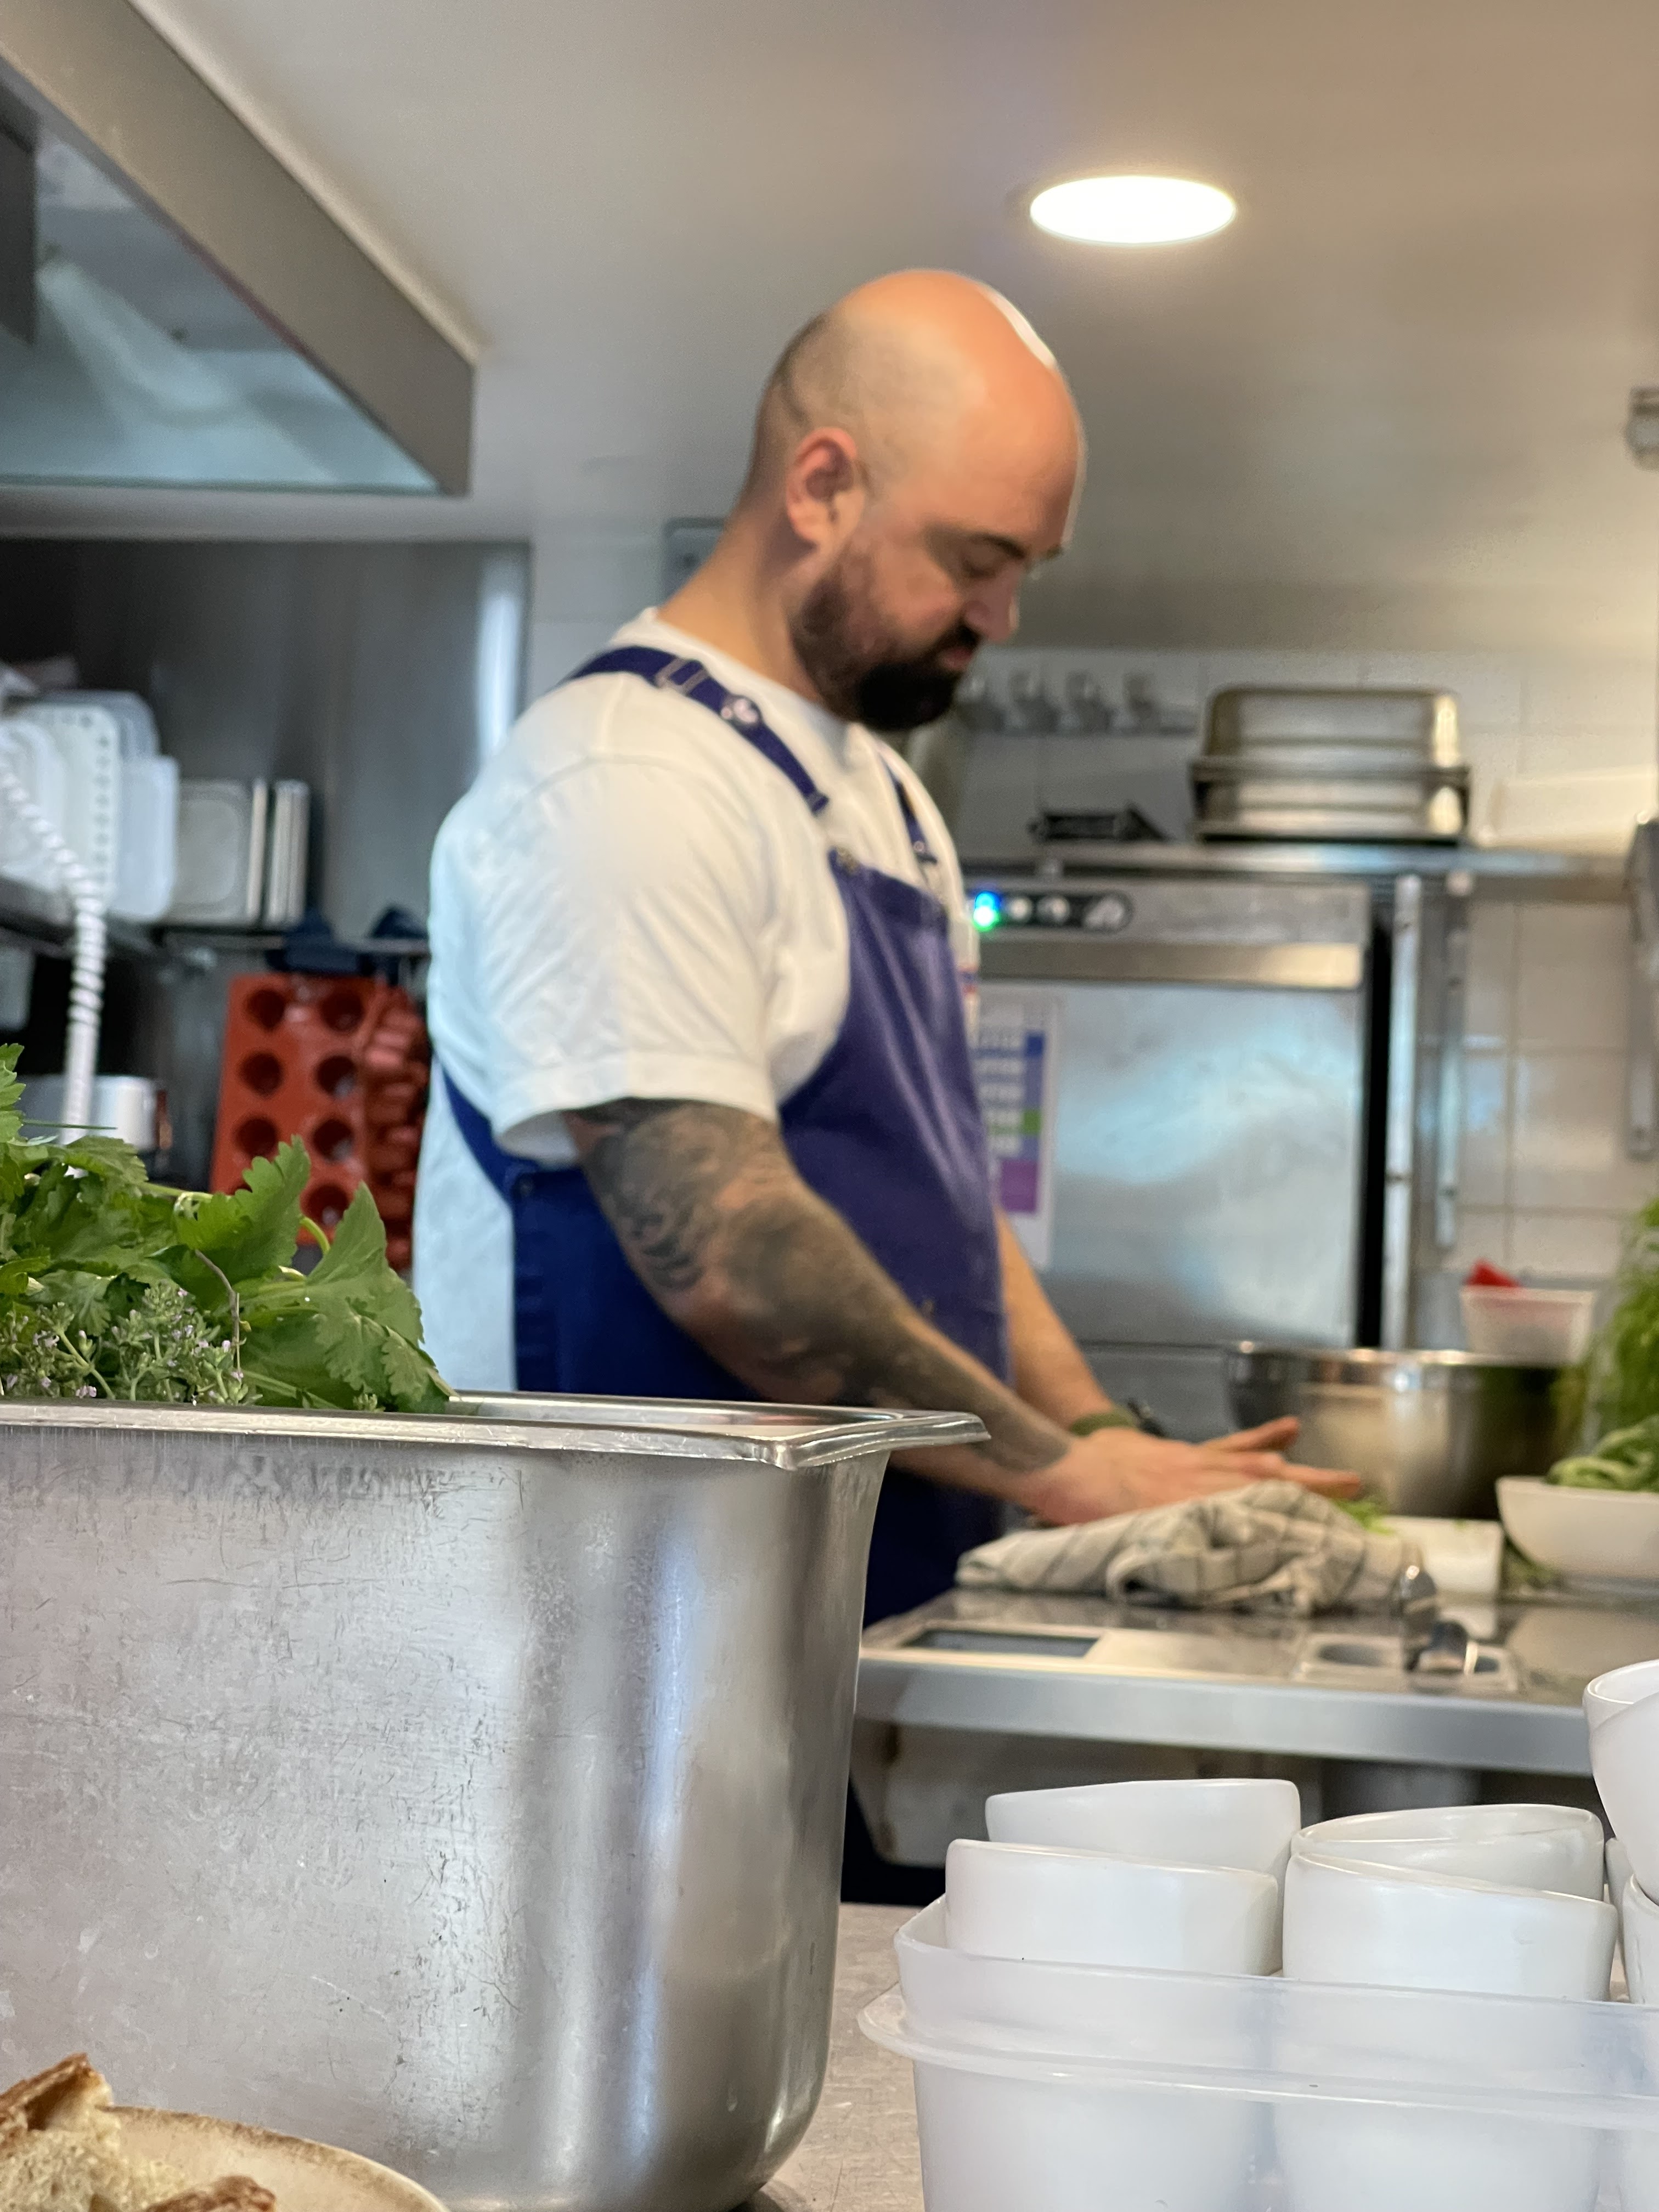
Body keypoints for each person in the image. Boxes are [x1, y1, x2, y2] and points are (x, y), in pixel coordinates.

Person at [415, 266, 1355, 1630]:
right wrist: (1064, 1476)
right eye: (976, 561)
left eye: (1025, 571)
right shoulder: (626, 780)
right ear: (821, 486)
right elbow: (731, 1253)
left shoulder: (885, 799)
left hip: (857, 1603)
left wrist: (1098, 1432)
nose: (1001, 619)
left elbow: (955, 1205)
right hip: (624, 1628)